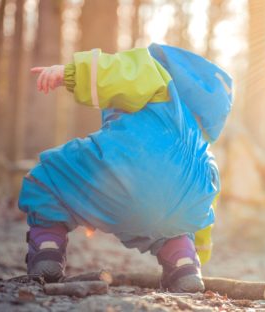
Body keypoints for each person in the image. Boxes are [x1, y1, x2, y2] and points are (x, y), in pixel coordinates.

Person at [19, 43, 233, 292]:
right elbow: (205, 204)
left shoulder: (158, 78)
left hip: (124, 176)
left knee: (49, 177)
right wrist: (200, 251)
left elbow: (120, 72)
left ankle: (47, 251)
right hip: (178, 211)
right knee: (174, 225)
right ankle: (184, 264)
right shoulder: (202, 149)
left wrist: (68, 73)